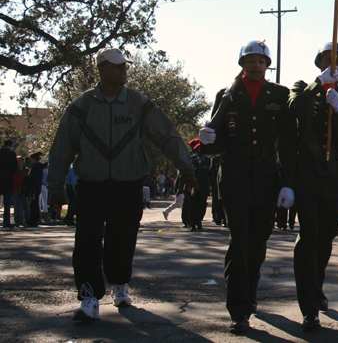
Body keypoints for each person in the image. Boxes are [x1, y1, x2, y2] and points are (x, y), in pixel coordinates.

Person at [47, 47, 197, 323]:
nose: (123, 70)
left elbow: (166, 135)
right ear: (101, 69)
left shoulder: (138, 102)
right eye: (116, 67)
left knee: (123, 237)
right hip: (91, 184)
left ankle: (119, 284)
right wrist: (54, 188)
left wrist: (186, 168)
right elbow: (61, 149)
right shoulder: (82, 106)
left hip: (129, 183)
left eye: (124, 66)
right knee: (87, 241)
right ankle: (89, 297)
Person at [197, 40, 296, 334]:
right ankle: (239, 308)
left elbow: (288, 142)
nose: (256, 66)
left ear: (267, 65)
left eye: (261, 61)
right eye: (251, 61)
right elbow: (216, 143)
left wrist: (288, 182)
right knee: (239, 242)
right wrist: (205, 141)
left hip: (267, 175)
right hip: (235, 174)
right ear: (242, 64)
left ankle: (249, 294)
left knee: (257, 243)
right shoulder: (227, 94)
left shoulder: (280, 94)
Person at [288, 42, 338, 331]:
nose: (333, 64)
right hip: (305, 174)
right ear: (319, 62)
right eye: (327, 59)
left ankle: (316, 287)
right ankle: (309, 305)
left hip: (332, 176)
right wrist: (319, 85)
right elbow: (294, 108)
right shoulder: (302, 87)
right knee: (309, 237)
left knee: (327, 236)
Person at [26, 152, 45, 227]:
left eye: (30, 159)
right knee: (35, 204)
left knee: (33, 204)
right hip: (37, 187)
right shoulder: (39, 166)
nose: (29, 161)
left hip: (33, 188)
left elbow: (34, 178)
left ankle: (33, 220)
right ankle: (34, 219)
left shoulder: (36, 166)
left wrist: (27, 177)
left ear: (34, 159)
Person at [0, 140, 16, 229]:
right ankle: (6, 222)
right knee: (7, 203)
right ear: (10, 145)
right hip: (8, 180)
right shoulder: (11, 154)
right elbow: (15, 168)